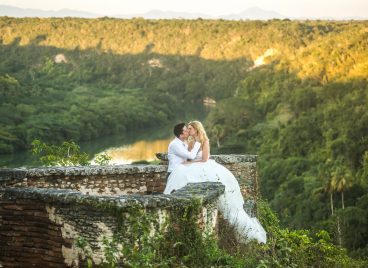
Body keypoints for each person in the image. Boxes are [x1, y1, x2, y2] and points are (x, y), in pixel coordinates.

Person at [164, 121, 267, 244]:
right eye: (187, 129)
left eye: (190, 128)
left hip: (203, 166)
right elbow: (188, 156)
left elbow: (205, 158)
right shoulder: (189, 142)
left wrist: (190, 162)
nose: (188, 130)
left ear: (196, 129)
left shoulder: (204, 141)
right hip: (190, 168)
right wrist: (189, 161)